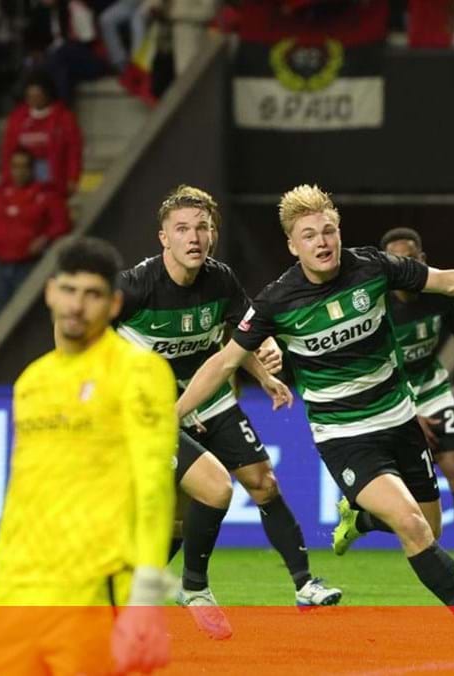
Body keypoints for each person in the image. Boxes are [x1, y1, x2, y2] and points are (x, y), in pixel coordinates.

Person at [176, 184, 454, 656]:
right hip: (345, 436)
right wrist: (173, 416)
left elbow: (449, 281)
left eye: (329, 231)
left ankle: (360, 519)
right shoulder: (276, 302)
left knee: (431, 527)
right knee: (412, 525)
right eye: (309, 235)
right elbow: (222, 364)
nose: (322, 242)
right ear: (292, 244)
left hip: (401, 421)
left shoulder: (372, 267)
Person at [115, 185, 342, 630]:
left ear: (213, 233)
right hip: (152, 408)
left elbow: (241, 339)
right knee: (211, 492)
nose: (193, 237)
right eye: (182, 229)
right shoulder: (135, 286)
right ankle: (190, 587)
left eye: (202, 227)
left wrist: (266, 374)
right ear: (164, 238)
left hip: (208, 394)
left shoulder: (221, 280)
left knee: (262, 482)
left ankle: (304, 585)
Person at [0, 237, 173, 676]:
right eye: (69, 290)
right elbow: (22, 494)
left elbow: (153, 485)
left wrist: (147, 597)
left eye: (93, 295)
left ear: (114, 304)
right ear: (49, 292)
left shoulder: (139, 371)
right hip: (16, 597)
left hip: (93, 596)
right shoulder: (31, 382)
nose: (77, 306)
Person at [345, 226, 454, 596]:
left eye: (410, 259)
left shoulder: (436, 294)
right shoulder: (377, 303)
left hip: (432, 389)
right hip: (388, 397)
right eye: (396, 260)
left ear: (422, 261)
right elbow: (372, 364)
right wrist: (407, 411)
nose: (404, 266)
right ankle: (363, 520)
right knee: (409, 505)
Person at [0, 149, 71, 311]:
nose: (19, 171)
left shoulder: (46, 194)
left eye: (24, 166)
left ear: (32, 169)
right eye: (16, 166)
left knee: (24, 313)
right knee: (2, 314)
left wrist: (44, 238)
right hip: (0, 265)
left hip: (28, 264)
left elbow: (62, 224)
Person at [1, 74, 83, 197]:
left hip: (53, 177)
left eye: (37, 96)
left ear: (47, 95)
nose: (33, 100)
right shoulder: (17, 117)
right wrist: (7, 177)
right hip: (24, 173)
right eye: (30, 96)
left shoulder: (64, 117)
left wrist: (73, 177)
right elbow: (8, 150)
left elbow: (74, 151)